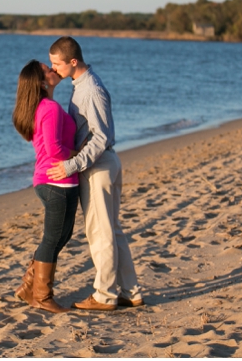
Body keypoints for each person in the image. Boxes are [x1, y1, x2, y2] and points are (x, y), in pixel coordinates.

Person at [46, 36, 143, 311]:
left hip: (99, 167)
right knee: (112, 231)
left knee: (101, 234)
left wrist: (70, 166)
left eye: (57, 64)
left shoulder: (91, 89)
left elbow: (101, 138)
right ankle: (131, 292)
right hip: (103, 164)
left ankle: (104, 295)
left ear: (73, 62)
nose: (53, 69)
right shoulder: (82, 85)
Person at [11, 60, 79, 314]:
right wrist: (81, 153)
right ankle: (42, 296)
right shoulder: (48, 107)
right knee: (53, 238)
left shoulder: (45, 106)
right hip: (55, 182)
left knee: (61, 235)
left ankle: (29, 286)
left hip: (55, 181)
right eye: (47, 69)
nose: (52, 69)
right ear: (41, 82)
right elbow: (54, 150)